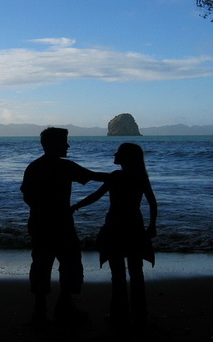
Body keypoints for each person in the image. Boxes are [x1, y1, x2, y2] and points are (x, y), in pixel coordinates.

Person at [20, 127, 109, 325]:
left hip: (39, 223)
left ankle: (40, 309)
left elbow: (27, 196)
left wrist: (42, 210)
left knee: (41, 264)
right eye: (64, 141)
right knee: (71, 264)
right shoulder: (65, 167)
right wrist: (121, 176)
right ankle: (64, 305)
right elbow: (94, 176)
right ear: (54, 144)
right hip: (61, 224)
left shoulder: (34, 167)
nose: (67, 145)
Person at [70, 142, 157, 329]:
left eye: (118, 152)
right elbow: (152, 202)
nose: (114, 154)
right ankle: (140, 314)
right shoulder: (140, 176)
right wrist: (152, 226)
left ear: (125, 157)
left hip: (115, 226)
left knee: (117, 273)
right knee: (136, 271)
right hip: (135, 225)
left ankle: (119, 313)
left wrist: (75, 207)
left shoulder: (116, 176)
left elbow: (96, 195)